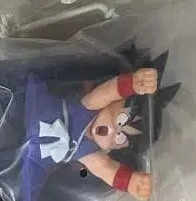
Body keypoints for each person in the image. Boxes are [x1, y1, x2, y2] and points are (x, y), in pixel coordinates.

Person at [21, 67, 158, 201]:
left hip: (37, 159)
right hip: (38, 108)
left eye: (120, 138)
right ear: (114, 103)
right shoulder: (90, 106)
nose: (113, 130)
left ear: (120, 148)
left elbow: (106, 169)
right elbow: (109, 92)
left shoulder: (90, 154)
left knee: (26, 191)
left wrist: (130, 182)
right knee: (28, 76)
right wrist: (133, 82)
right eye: (120, 120)